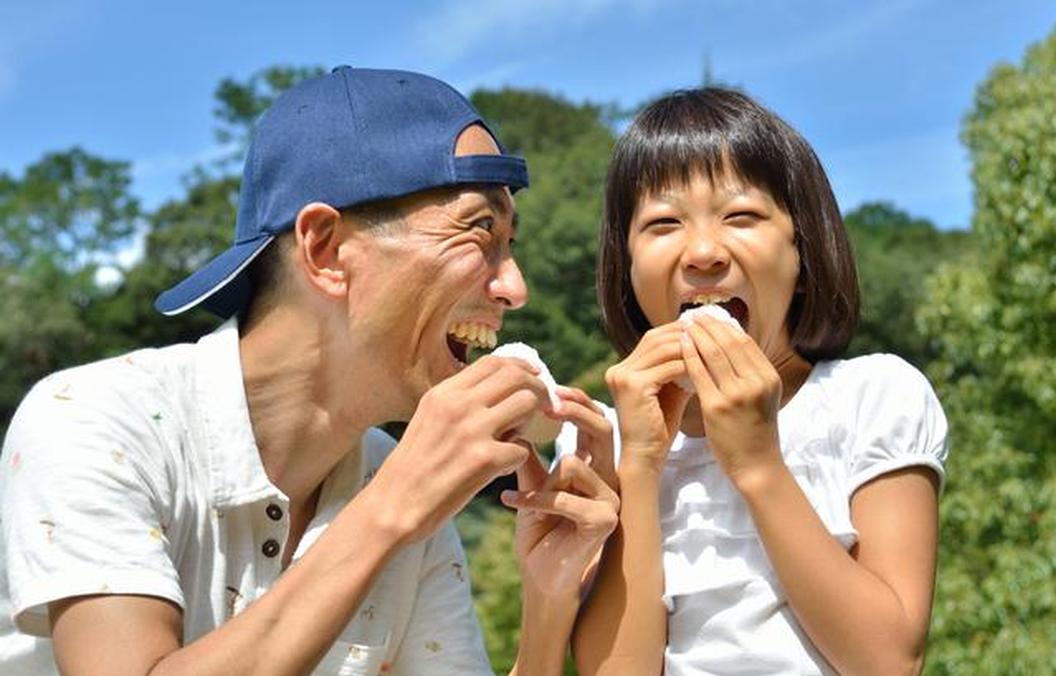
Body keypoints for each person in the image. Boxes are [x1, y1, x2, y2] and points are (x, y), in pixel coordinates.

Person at [0, 66, 618, 676]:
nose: (515, 288)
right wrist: (390, 511)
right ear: (324, 249)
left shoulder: (397, 481)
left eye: (510, 246)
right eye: (480, 232)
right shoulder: (95, 422)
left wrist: (546, 604)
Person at [558, 88, 950, 675]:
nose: (704, 251)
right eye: (663, 224)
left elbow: (889, 661)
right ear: (628, 269)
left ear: (802, 253)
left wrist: (758, 463)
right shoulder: (595, 437)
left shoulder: (873, 396)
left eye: (741, 216)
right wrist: (638, 466)